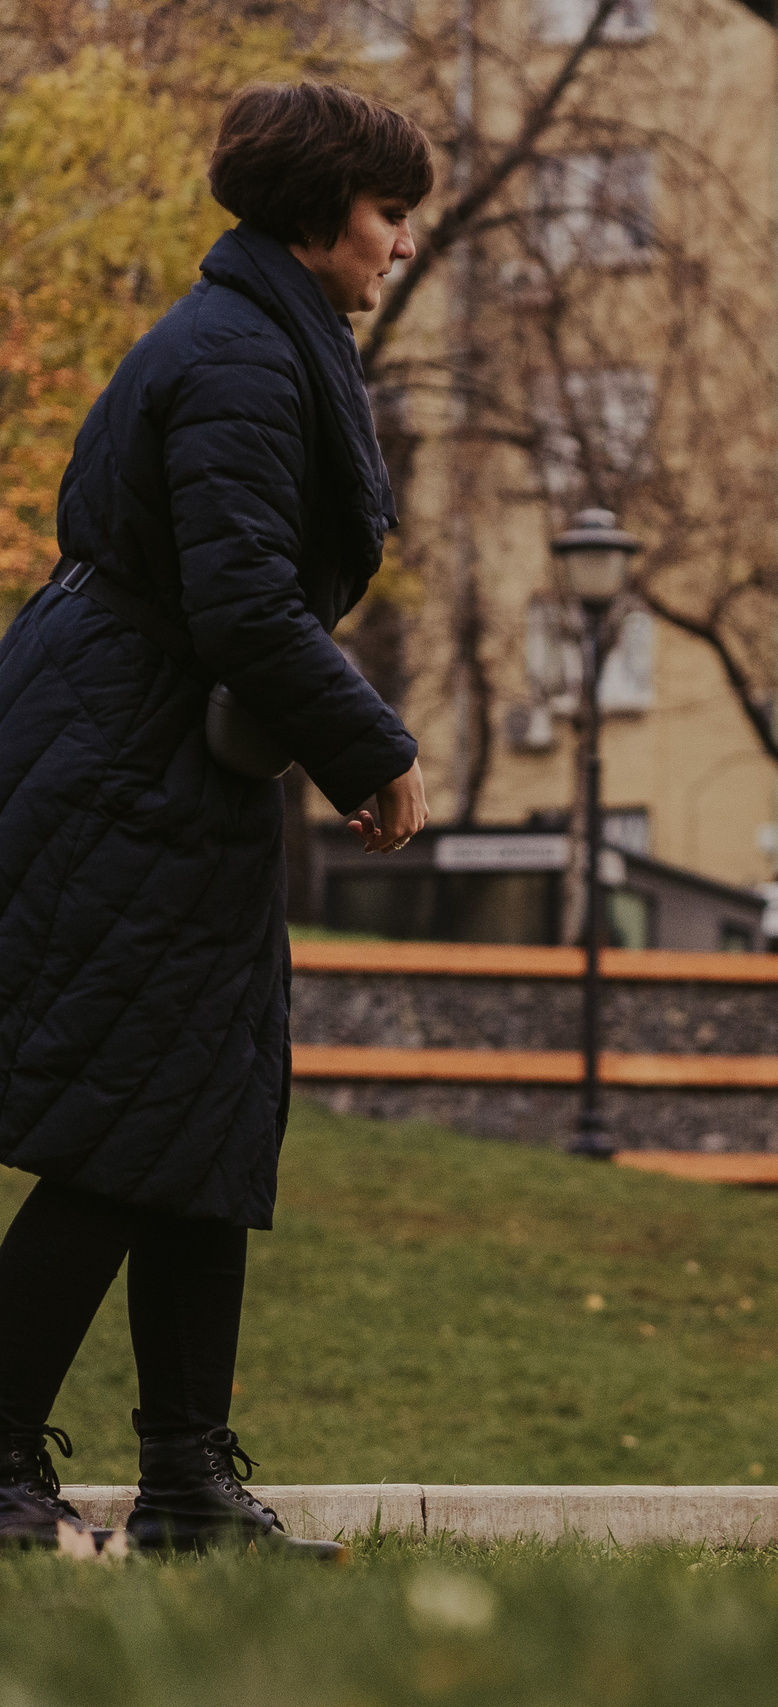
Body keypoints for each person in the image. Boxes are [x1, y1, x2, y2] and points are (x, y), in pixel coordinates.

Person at [0, 82, 433, 1556]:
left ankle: (186, 1478)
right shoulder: (243, 358)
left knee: (196, 1117)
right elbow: (242, 596)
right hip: (127, 772)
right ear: (318, 218)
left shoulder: (259, 337)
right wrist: (373, 746)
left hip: (164, 769)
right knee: (129, 1120)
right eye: (388, 217)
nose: (398, 248)